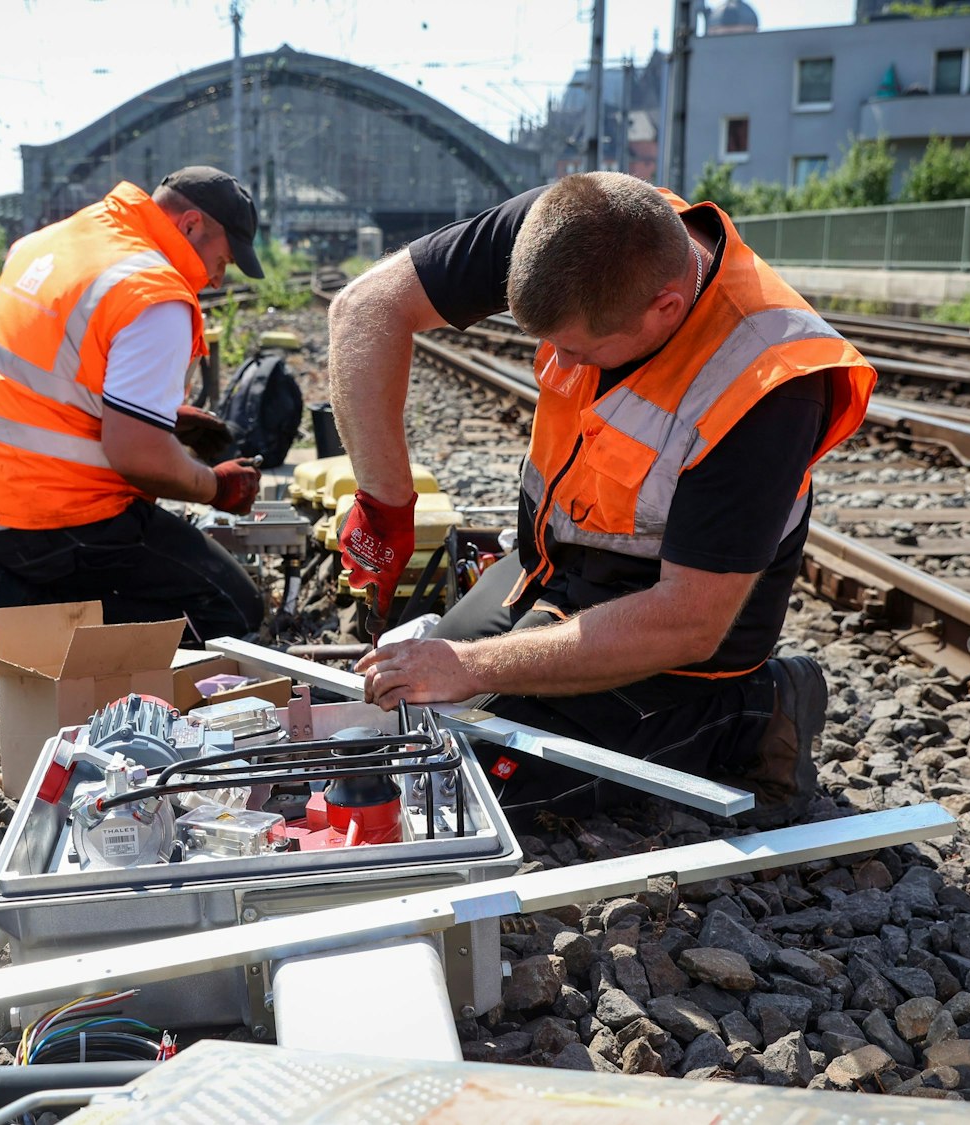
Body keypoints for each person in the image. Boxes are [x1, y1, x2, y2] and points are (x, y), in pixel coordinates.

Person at [327, 172, 875, 826]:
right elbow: (364, 308)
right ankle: (523, 646)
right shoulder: (579, 224)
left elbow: (687, 622)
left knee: (474, 789)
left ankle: (756, 709)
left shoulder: (767, 384)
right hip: (548, 570)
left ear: (666, 307)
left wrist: (467, 665)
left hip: (672, 629)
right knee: (407, 723)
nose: (562, 361)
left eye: (578, 348)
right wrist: (386, 504)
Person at [0, 167, 268, 654]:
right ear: (191, 226)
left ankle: (14, 587)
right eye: (223, 261)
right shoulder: (153, 294)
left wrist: (164, 418)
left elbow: (59, 378)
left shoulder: (54, 241)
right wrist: (217, 486)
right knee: (231, 610)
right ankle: (14, 617)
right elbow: (138, 458)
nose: (218, 280)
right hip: (59, 521)